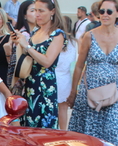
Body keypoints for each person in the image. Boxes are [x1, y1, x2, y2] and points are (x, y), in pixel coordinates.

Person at [68, 0, 118, 146]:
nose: (104, 15)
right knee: (87, 137)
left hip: (114, 94)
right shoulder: (89, 36)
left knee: (114, 134)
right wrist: (73, 92)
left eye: (109, 12)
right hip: (89, 92)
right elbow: (79, 66)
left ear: (117, 13)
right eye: (102, 11)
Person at [11, 0, 65, 128]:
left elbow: (47, 61)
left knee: (44, 127)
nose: (37, 14)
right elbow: (29, 57)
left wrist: (27, 46)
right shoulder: (35, 31)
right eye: (35, 10)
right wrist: (19, 43)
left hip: (45, 86)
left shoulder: (57, 34)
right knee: (28, 125)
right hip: (30, 84)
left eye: (41, 11)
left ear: (52, 11)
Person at [6, 0, 35, 95]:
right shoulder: (24, 34)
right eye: (32, 10)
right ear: (24, 15)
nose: (37, 14)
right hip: (24, 78)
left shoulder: (35, 32)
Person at [58, 16, 77, 130]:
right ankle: (63, 131)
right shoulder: (74, 42)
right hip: (67, 78)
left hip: (55, 76)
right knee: (63, 109)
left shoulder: (56, 40)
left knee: (53, 108)